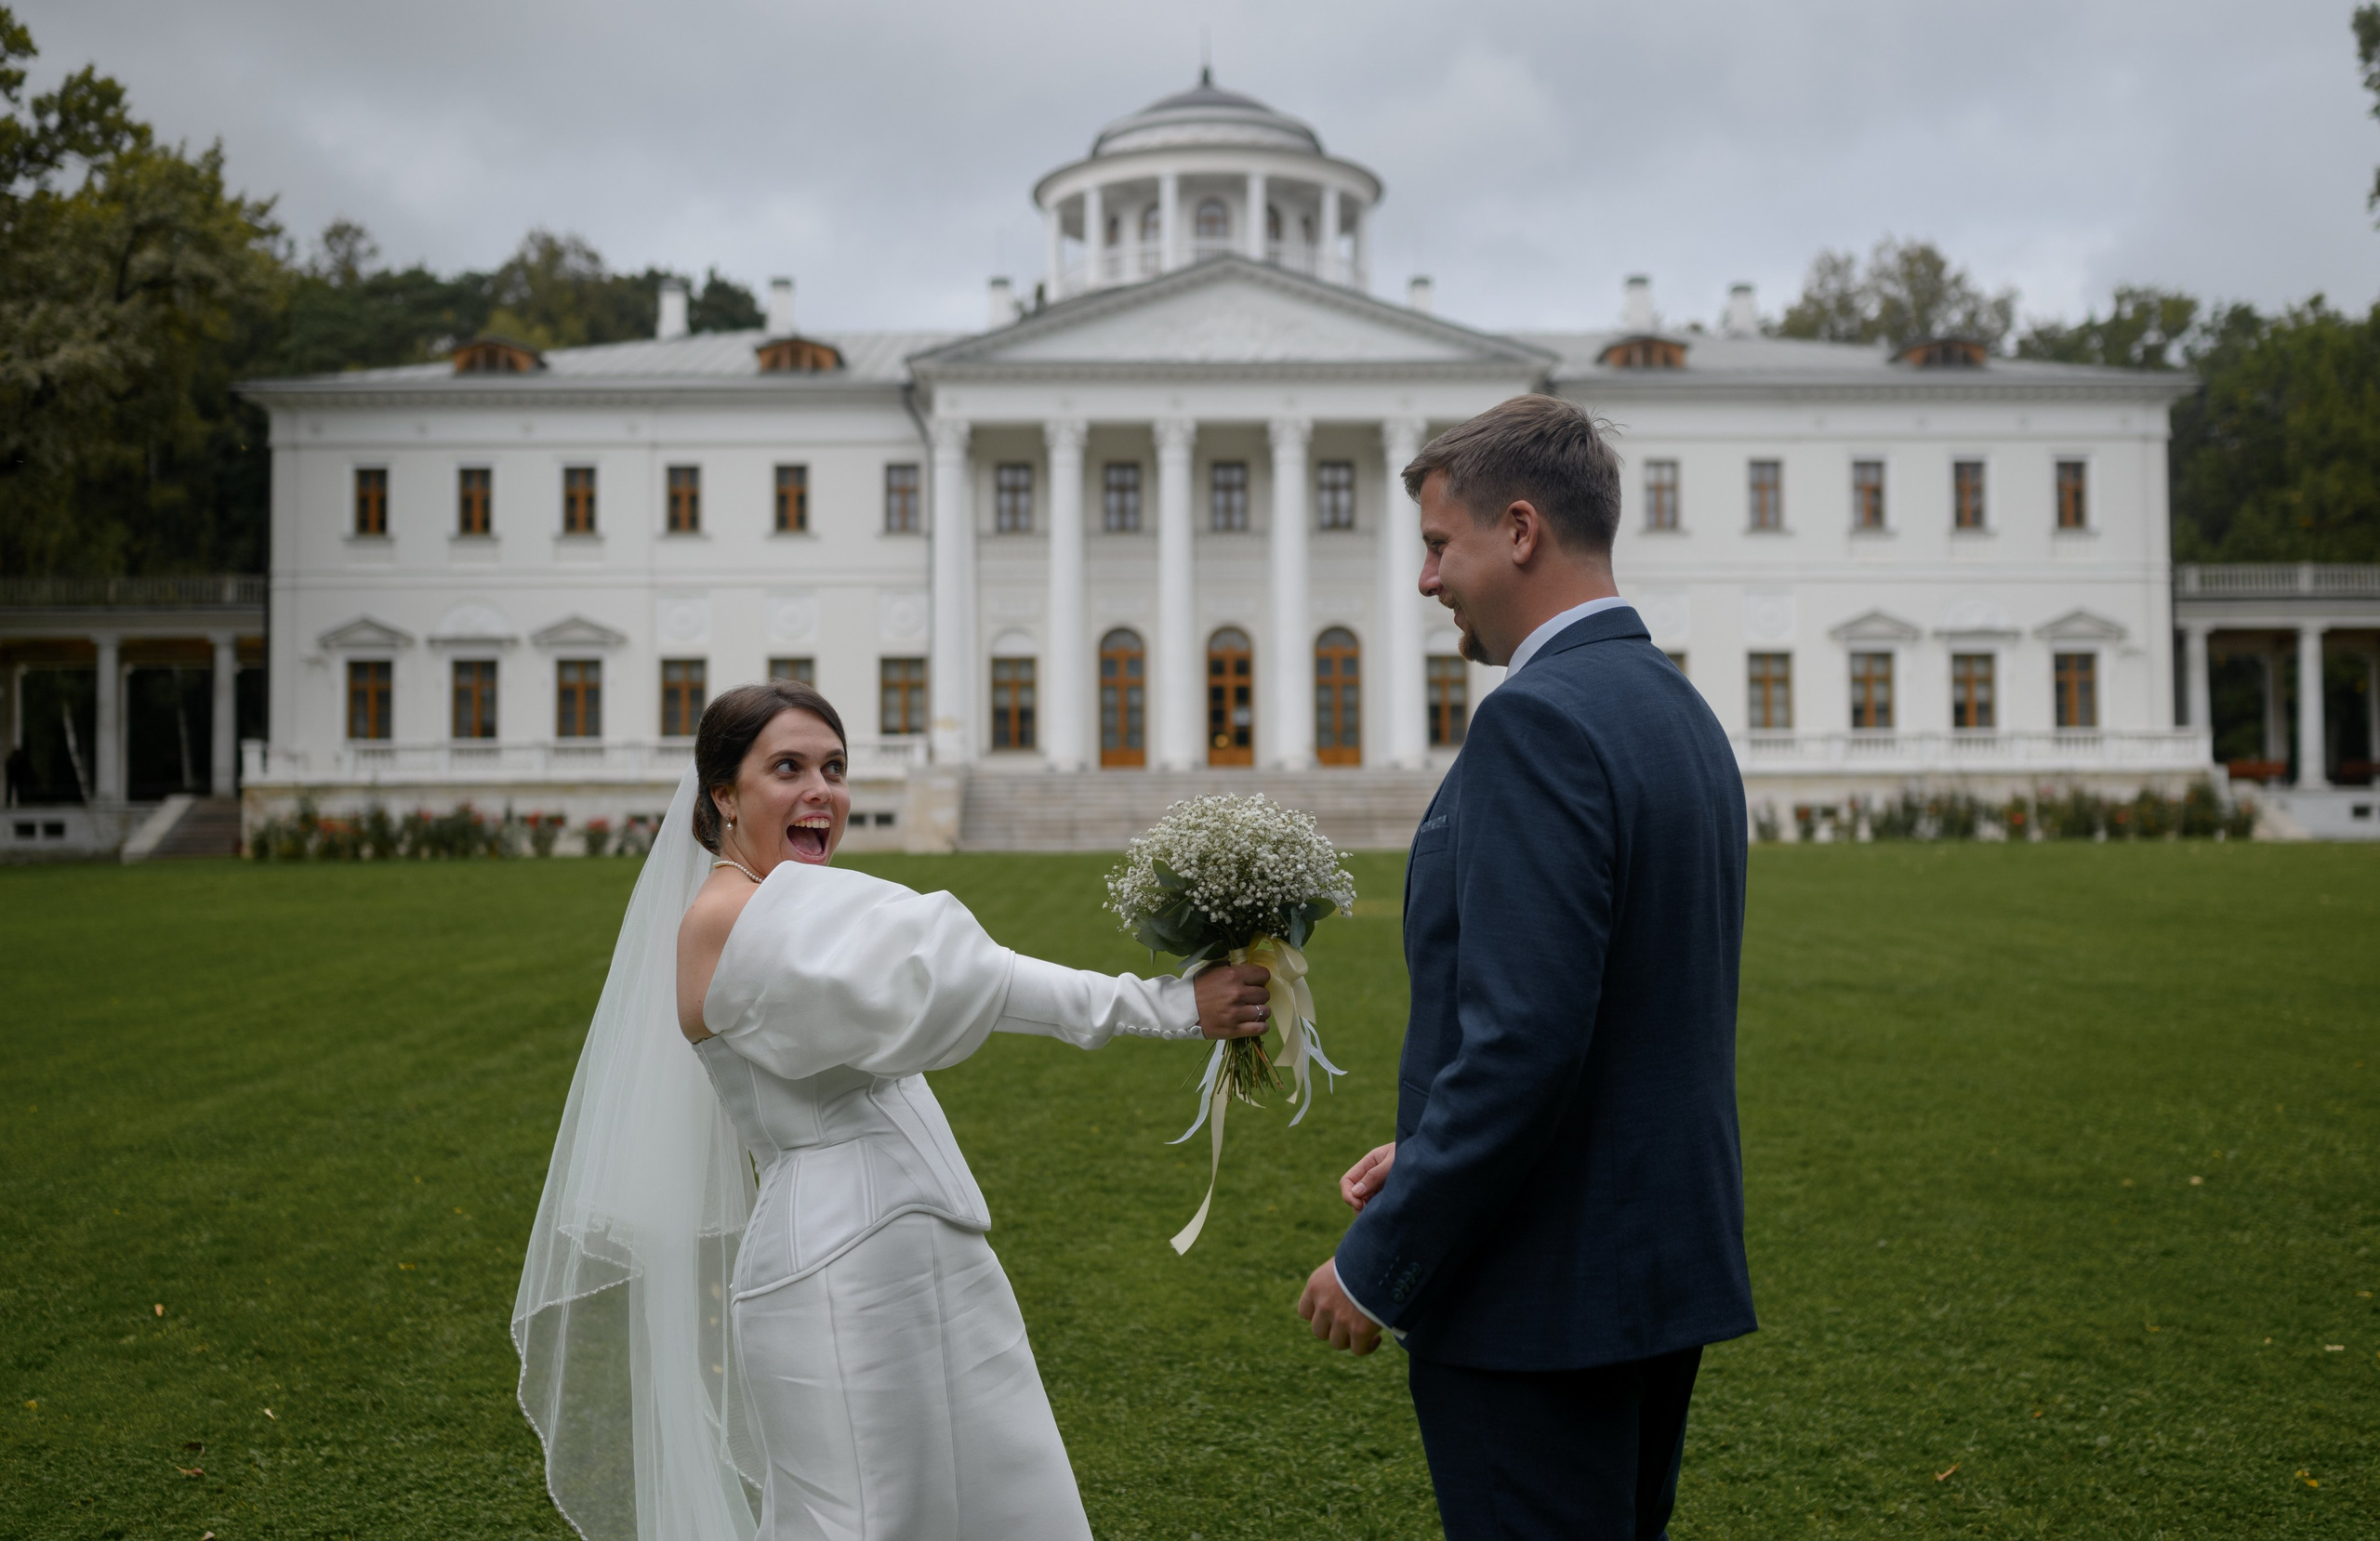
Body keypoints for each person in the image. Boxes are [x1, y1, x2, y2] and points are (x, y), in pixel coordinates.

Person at [515, 678, 1273, 1541]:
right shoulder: (728, 917)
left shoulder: (787, 906)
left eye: (835, 767)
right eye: (788, 767)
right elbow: (965, 976)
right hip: (839, 1267)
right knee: (878, 1519)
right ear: (723, 795)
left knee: (1013, 1501)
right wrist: (1168, 1003)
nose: (821, 792)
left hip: (929, 1244)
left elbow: (939, 979)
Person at [1296, 394, 1755, 1540]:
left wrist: (1380, 1258)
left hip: (1539, 1296)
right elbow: (1613, 1004)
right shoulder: (1674, 706)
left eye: (1438, 545)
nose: (1425, 580)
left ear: (1518, 530)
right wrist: (1428, 1144)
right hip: (1651, 1264)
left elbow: (1523, 1036)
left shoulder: (1537, 719)